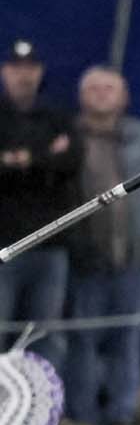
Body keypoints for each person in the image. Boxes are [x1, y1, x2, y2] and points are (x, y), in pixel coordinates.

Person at [63, 66, 140, 425]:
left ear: (124, 95)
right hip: (85, 259)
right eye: (93, 87)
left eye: (109, 87)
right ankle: (82, 413)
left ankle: (122, 413)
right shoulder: (68, 137)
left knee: (128, 338)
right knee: (83, 340)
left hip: (136, 256)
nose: (101, 94)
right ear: (81, 96)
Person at [0, 38, 81, 367]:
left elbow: (72, 162)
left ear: (40, 73)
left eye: (30, 69)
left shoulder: (57, 117)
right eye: (17, 69)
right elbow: (55, 161)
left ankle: (43, 414)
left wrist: (22, 160)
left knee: (45, 336)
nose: (24, 76)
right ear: (5, 72)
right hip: (4, 245)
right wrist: (44, 156)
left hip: (50, 243)